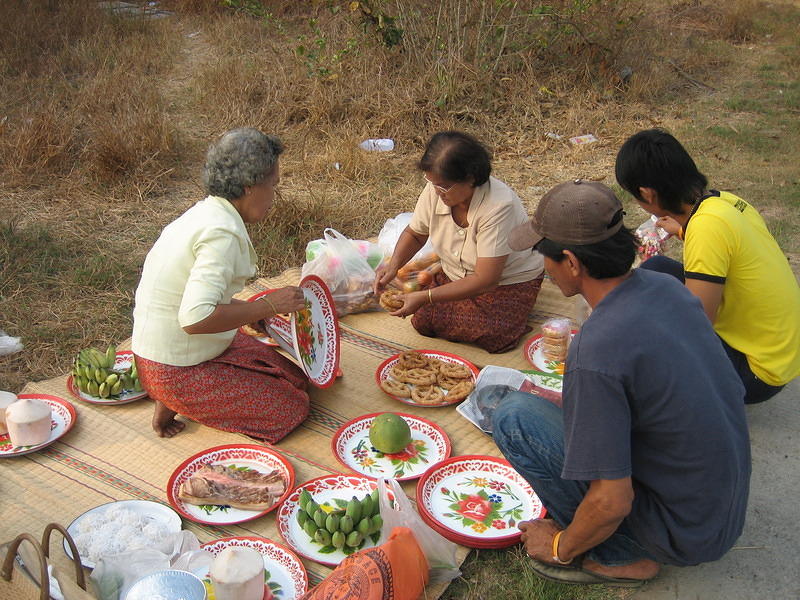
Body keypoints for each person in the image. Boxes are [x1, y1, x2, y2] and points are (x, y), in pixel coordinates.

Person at [492, 180, 750, 587]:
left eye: (545, 256)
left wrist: (558, 545)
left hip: (680, 534)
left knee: (514, 416)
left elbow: (612, 500)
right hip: (719, 511)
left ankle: (621, 555)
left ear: (572, 263)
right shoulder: (665, 285)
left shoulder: (597, 352)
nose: (545, 267)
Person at [132, 128, 310, 441]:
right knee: (291, 408)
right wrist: (268, 305)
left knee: (295, 378)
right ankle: (172, 397)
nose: (274, 196)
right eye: (272, 186)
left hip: (162, 353)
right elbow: (196, 318)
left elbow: (183, 302)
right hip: (172, 367)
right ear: (249, 187)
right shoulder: (222, 234)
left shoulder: (207, 214)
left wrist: (251, 312)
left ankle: (170, 398)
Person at [615, 128, 800, 403]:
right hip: (780, 354)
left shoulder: (706, 229)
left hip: (756, 374)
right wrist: (681, 231)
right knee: (657, 270)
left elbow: (696, 326)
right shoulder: (724, 201)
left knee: (650, 322)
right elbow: (725, 247)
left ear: (647, 194)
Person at [373, 131, 545, 353]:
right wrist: (393, 266)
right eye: (431, 182)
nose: (436, 191)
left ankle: (515, 318)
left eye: (443, 186)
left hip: (504, 282)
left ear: (471, 178)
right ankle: (457, 303)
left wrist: (426, 296)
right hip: (458, 273)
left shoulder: (499, 206)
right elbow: (416, 233)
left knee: (494, 335)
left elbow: (486, 279)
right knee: (423, 321)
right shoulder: (436, 188)